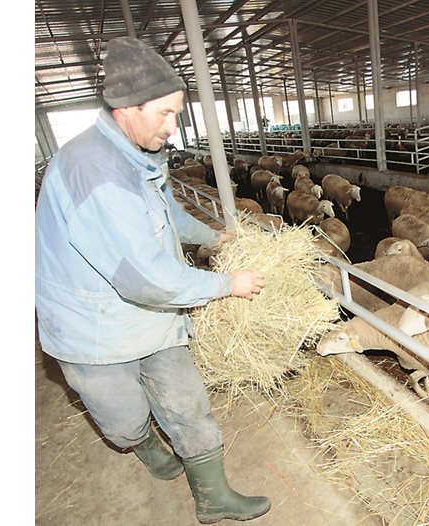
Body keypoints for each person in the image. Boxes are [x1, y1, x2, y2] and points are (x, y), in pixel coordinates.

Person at [35, 36, 271, 523]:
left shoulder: (137, 155)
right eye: (164, 113)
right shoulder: (95, 173)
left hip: (152, 312)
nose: (173, 124)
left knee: (188, 404)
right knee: (124, 418)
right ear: (126, 108)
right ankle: (143, 446)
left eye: (176, 113)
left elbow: (163, 214)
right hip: (94, 324)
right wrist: (228, 284)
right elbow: (143, 278)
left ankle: (213, 497)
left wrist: (213, 239)